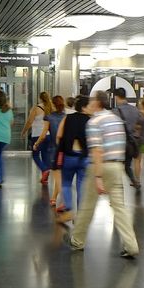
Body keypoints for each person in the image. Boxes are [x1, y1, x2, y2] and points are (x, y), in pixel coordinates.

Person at [67, 91, 139, 258]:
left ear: (97, 103)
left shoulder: (94, 122)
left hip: (100, 167)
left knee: (87, 206)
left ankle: (77, 240)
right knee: (119, 208)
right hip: (117, 166)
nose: (89, 105)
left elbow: (97, 151)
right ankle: (131, 245)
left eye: (91, 101)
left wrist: (98, 177)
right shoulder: (116, 120)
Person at [55, 95, 90, 223]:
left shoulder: (67, 118)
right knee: (81, 185)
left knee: (66, 183)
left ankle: (69, 208)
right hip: (84, 157)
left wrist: (61, 147)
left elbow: (59, 135)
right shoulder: (90, 121)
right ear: (85, 107)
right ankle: (80, 215)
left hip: (69, 156)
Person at [33, 95, 67, 205]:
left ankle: (62, 200)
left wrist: (36, 143)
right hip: (64, 148)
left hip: (53, 149)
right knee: (60, 175)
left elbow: (43, 134)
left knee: (57, 175)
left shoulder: (48, 117)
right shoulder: (66, 117)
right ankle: (53, 198)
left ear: (53, 104)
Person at [112, 87, 141, 188]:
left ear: (116, 97)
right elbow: (139, 124)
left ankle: (118, 185)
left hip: (119, 143)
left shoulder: (116, 111)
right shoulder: (135, 110)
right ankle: (134, 181)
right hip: (131, 143)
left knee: (117, 164)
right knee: (127, 165)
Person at [23, 91, 52, 185]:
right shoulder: (50, 108)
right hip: (47, 135)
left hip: (37, 135)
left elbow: (29, 121)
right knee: (45, 155)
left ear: (40, 98)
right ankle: (45, 177)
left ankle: (44, 170)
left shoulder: (36, 108)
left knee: (35, 155)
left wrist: (23, 131)